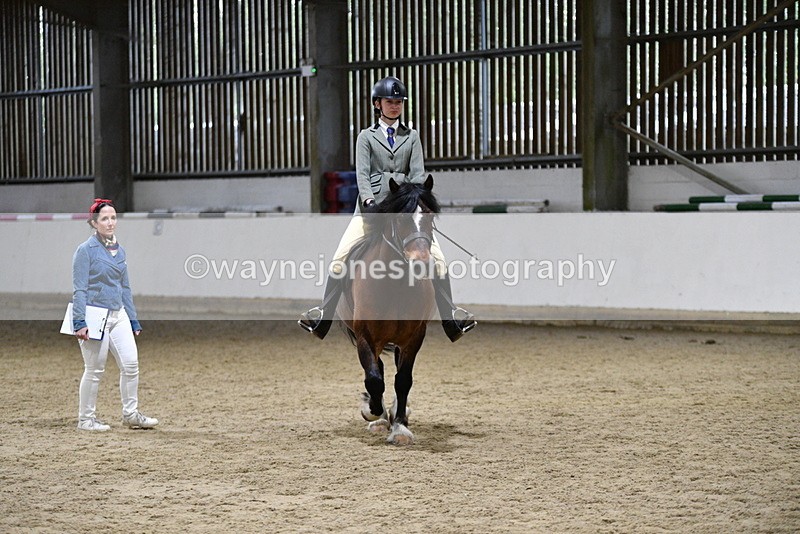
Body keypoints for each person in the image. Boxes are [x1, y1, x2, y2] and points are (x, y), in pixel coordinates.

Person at [299, 76, 476, 342]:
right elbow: (362, 173)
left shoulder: (411, 137)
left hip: (404, 211)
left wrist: (416, 201)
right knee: (340, 258)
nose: (395, 106)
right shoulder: (365, 137)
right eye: (390, 102)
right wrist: (368, 201)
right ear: (377, 104)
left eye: (399, 102)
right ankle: (323, 317)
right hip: (371, 210)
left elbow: (417, 174)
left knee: (438, 261)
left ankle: (450, 318)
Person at [72, 198, 158, 431]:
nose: (110, 222)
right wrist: (79, 321)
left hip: (118, 314)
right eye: (105, 219)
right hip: (94, 316)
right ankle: (86, 419)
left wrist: (132, 317)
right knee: (95, 369)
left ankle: (131, 414)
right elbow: (79, 288)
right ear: (94, 223)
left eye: (113, 217)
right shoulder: (84, 251)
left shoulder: (120, 250)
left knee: (131, 365)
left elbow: (125, 287)